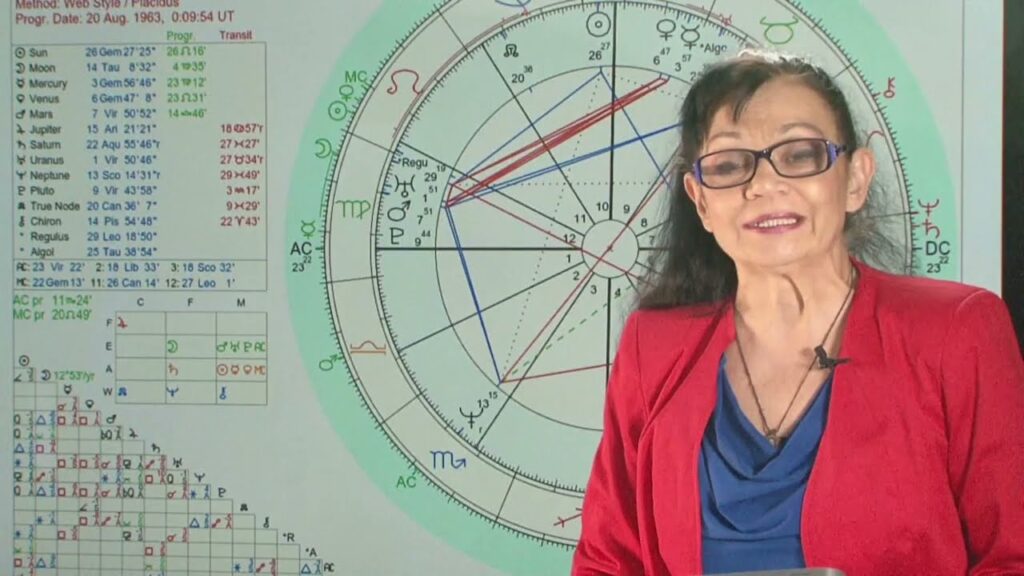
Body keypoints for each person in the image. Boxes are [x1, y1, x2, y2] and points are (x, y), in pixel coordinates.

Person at [572, 50, 1024, 576]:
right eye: (729, 164)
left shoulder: (958, 330)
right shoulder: (652, 346)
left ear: (855, 180)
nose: (763, 185)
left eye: (800, 154)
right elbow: (607, 562)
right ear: (701, 201)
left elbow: (1012, 557)